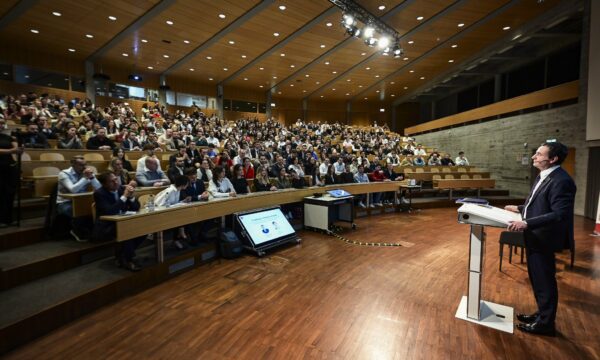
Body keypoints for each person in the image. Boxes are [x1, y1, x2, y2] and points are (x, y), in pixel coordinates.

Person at [505, 142, 576, 336]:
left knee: (544, 281)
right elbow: (538, 203)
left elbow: (559, 213)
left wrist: (527, 223)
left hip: (544, 238)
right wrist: (519, 208)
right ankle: (541, 315)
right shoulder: (545, 176)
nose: (534, 157)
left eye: (538, 154)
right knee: (537, 280)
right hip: (536, 236)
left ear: (552, 159)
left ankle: (546, 324)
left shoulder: (562, 180)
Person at [92, 172, 144, 272]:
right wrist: (124, 196)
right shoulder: (99, 193)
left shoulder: (121, 189)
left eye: (116, 179)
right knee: (127, 230)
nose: (116, 182)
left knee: (143, 228)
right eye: (112, 181)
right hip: (107, 225)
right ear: (104, 184)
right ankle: (128, 260)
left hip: (123, 221)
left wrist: (132, 197)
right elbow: (110, 211)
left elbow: (136, 208)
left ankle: (122, 256)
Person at [57, 155, 102, 241]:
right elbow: (73, 190)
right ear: (73, 164)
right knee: (77, 210)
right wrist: (85, 178)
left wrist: (92, 177)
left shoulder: (86, 173)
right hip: (65, 202)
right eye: (81, 165)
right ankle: (78, 231)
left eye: (85, 164)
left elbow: (99, 188)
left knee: (97, 207)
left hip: (81, 201)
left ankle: (94, 232)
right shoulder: (64, 174)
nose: (84, 167)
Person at [154, 175, 191, 250]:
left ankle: (179, 237)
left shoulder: (178, 190)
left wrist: (182, 201)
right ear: (183, 184)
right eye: (187, 183)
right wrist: (178, 204)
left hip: (170, 212)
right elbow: (159, 204)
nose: (188, 185)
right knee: (180, 217)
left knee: (186, 215)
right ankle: (180, 235)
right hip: (161, 214)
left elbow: (173, 203)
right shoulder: (170, 190)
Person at [0, 119, 22, 227]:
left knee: (10, 193)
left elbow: (16, 148)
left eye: (1, 123)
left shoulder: (8, 137)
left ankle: (8, 219)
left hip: (10, 166)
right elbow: (13, 150)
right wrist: (11, 151)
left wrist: (16, 141)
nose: (0, 125)